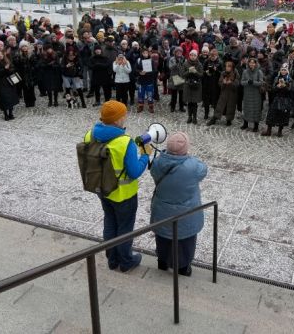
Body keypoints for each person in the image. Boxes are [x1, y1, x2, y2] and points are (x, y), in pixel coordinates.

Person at [83, 100, 149, 272]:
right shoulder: (125, 142)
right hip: (124, 195)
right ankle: (126, 261)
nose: (125, 117)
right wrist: (145, 156)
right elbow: (134, 172)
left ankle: (112, 260)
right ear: (117, 120)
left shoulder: (90, 134)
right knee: (125, 228)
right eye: (123, 115)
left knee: (110, 222)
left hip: (102, 189)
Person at [150, 132, 207, 276]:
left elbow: (154, 172)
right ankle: (183, 267)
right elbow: (204, 170)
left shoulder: (158, 162)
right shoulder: (193, 166)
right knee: (185, 241)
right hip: (186, 213)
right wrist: (189, 157)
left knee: (163, 237)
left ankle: (162, 262)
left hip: (162, 210)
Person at [262, 63, 293, 137]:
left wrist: (284, 86)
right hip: (277, 98)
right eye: (282, 70)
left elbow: (290, 90)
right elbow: (273, 89)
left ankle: (280, 131)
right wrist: (277, 87)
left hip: (285, 99)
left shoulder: (289, 79)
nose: (283, 71)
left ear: (287, 71)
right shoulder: (277, 78)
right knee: (271, 114)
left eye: (284, 70)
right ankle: (269, 130)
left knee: (282, 115)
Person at [207, 59, 239, 126]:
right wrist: (223, 83)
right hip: (224, 92)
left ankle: (229, 120)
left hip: (232, 94)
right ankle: (214, 118)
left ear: (232, 67)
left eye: (229, 66)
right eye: (226, 66)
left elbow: (237, 84)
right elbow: (219, 83)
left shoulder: (236, 73)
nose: (227, 67)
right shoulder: (223, 73)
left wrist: (231, 83)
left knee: (230, 107)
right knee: (220, 106)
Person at [0, 51, 20, 121]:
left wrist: (8, 69)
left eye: (1, 54)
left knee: (11, 98)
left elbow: (13, 70)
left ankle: (11, 113)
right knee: (4, 99)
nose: (0, 55)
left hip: (9, 82)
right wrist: (4, 69)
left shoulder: (8, 61)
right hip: (0, 84)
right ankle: (5, 114)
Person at [240, 57, 264, 132]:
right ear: (248, 63)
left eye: (253, 63)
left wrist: (253, 82)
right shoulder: (245, 72)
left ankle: (256, 125)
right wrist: (247, 82)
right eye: (250, 62)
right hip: (247, 93)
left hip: (256, 94)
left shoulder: (259, 72)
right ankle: (245, 123)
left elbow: (261, 82)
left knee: (256, 109)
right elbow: (241, 82)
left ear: (256, 63)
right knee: (246, 108)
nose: (252, 64)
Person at [182, 49, 203, 124]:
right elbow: (182, 75)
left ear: (196, 56)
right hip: (188, 84)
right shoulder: (185, 64)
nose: (193, 57)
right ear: (189, 55)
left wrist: (195, 72)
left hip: (196, 85)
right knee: (189, 102)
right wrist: (189, 71)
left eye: (194, 55)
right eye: (191, 55)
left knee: (194, 103)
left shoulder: (199, 64)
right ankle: (189, 116)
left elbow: (201, 75)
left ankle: (194, 117)